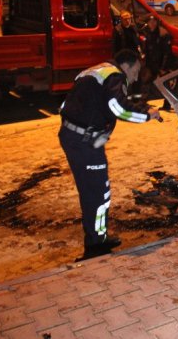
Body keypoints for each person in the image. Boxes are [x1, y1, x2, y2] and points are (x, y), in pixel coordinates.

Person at [58, 49, 161, 261]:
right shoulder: (114, 76)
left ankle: (98, 237)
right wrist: (147, 115)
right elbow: (119, 109)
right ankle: (96, 245)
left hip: (76, 137)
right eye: (137, 71)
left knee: (91, 191)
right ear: (129, 65)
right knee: (98, 193)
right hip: (85, 143)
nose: (135, 77)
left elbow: (97, 103)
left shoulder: (97, 71)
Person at [143, 15, 176, 110]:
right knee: (146, 84)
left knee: (165, 85)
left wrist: (163, 68)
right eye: (150, 22)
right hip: (152, 65)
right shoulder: (149, 32)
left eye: (154, 22)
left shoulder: (163, 34)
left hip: (161, 65)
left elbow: (167, 53)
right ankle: (143, 103)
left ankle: (168, 104)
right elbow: (148, 50)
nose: (152, 24)